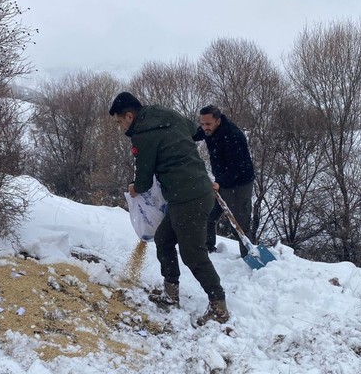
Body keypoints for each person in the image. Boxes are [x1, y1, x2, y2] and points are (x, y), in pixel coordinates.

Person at [109, 92, 229, 326]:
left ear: (129, 116)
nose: (120, 127)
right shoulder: (165, 113)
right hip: (194, 190)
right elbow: (196, 133)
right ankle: (170, 293)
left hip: (189, 198)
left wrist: (135, 188)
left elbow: (143, 182)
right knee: (164, 238)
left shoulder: (142, 135)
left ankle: (219, 306)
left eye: (119, 122)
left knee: (193, 254)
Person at [193, 105, 255, 258]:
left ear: (218, 121)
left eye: (208, 124)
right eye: (202, 124)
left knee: (241, 224)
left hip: (240, 184)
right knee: (208, 215)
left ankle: (249, 257)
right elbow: (195, 134)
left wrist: (221, 182)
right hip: (220, 181)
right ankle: (208, 249)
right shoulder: (208, 131)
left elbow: (239, 166)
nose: (204, 128)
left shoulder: (233, 136)